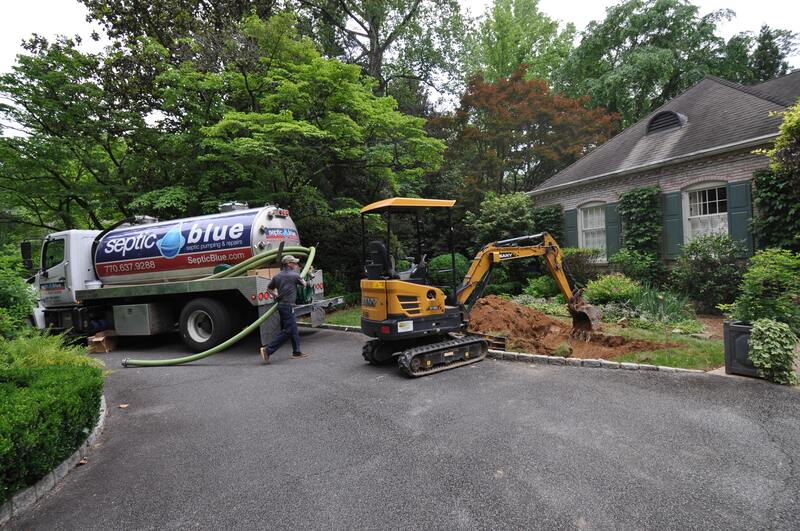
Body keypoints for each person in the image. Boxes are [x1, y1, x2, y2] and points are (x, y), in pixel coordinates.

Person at [260, 255, 309, 363]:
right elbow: (304, 285)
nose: (296, 265)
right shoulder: (294, 275)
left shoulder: (277, 276)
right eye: (294, 263)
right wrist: (307, 280)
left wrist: (275, 295)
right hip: (288, 306)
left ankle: (297, 352)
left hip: (282, 306)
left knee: (293, 328)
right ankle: (268, 350)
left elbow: (269, 288)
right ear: (288, 264)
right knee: (288, 330)